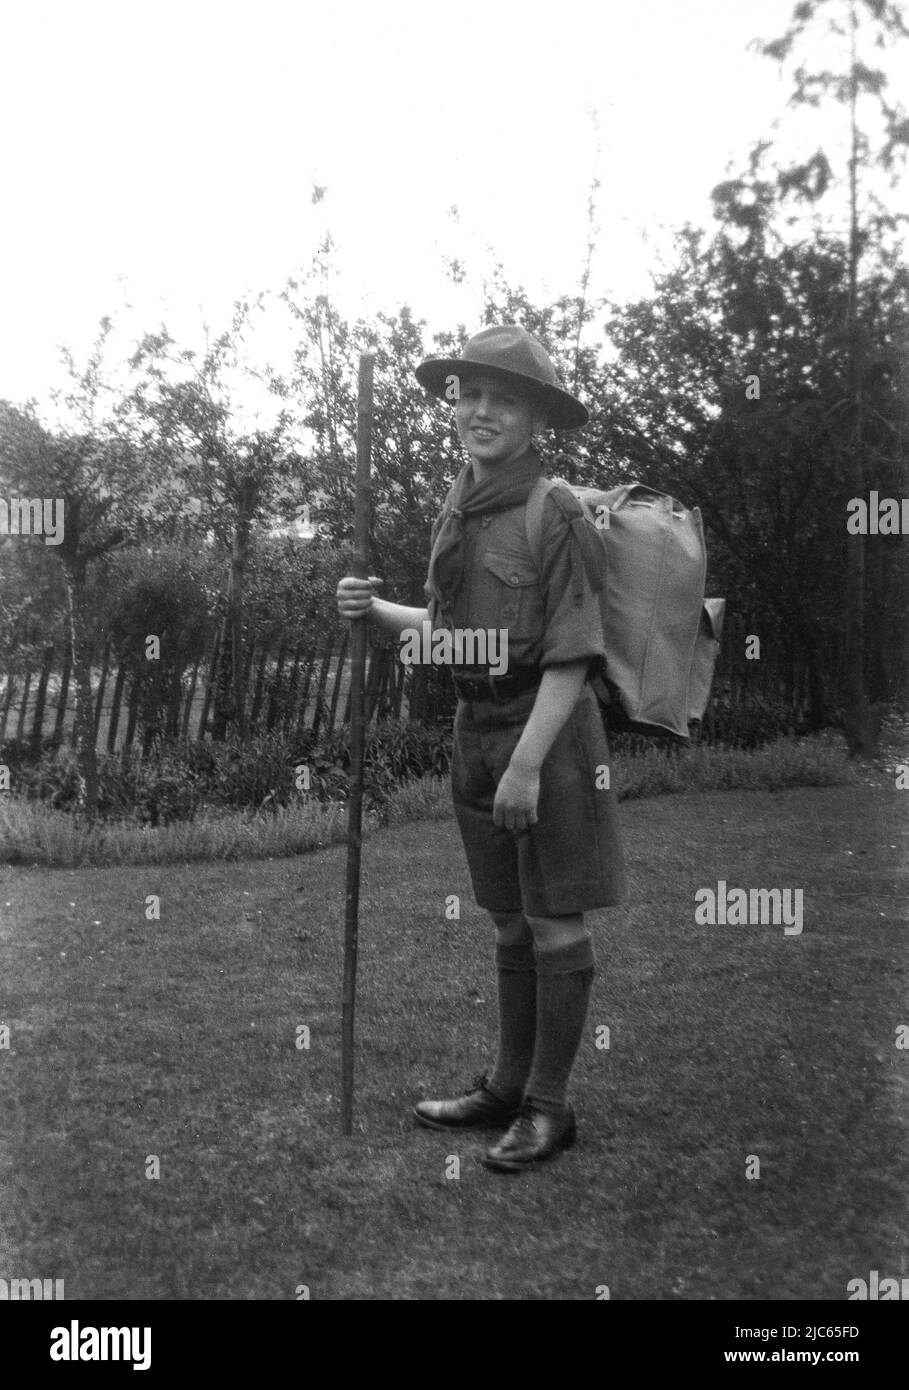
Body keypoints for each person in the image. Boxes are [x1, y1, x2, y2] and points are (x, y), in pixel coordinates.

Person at [336, 324, 626, 1172]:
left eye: (503, 398)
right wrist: (373, 610)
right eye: (469, 394)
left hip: (549, 733)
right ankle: (503, 1086)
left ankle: (548, 1108)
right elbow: (451, 634)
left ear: (535, 417)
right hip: (476, 728)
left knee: (551, 917)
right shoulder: (460, 504)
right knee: (507, 916)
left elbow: (573, 652)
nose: (481, 410)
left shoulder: (556, 511)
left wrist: (530, 764)